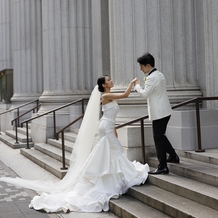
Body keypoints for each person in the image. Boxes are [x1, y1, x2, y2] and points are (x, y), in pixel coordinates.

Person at [0, 76, 149, 213]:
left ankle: (115, 176)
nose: (111, 81)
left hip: (108, 125)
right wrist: (132, 84)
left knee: (112, 152)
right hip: (106, 127)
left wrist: (114, 128)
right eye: (108, 80)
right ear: (104, 85)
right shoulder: (105, 95)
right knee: (115, 151)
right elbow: (125, 95)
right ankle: (118, 177)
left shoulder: (107, 97)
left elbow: (108, 114)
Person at [133, 52, 179, 175]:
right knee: (160, 136)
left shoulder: (152, 77)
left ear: (148, 65)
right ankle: (173, 156)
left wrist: (137, 86)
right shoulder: (159, 74)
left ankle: (162, 166)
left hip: (159, 113)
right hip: (164, 111)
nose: (140, 69)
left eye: (141, 66)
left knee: (158, 138)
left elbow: (144, 94)